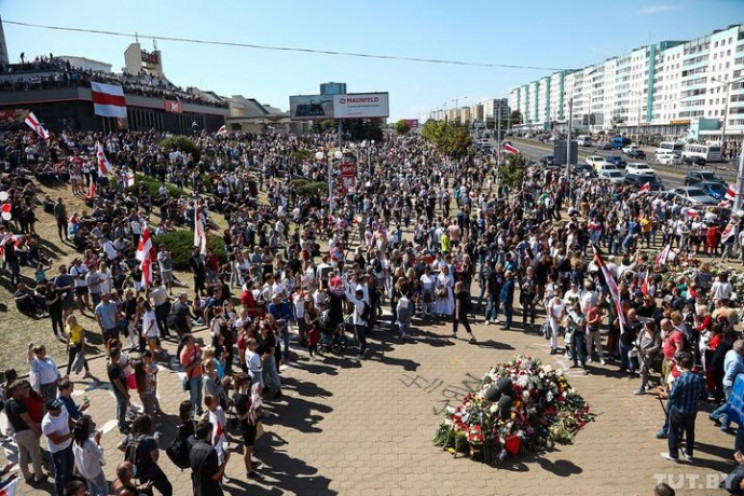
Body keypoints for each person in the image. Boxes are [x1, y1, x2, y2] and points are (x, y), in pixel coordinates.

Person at [659, 351, 707, 462]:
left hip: (678, 410)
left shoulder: (680, 379)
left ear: (680, 365)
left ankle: (673, 454)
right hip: (692, 411)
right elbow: (704, 396)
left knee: (674, 431)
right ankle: (689, 453)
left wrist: (661, 393)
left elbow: (672, 395)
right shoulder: (699, 378)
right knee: (690, 432)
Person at [4, 380, 45, 484]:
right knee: (35, 454)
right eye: (20, 389)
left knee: (22, 454)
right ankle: (39, 476)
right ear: (14, 392)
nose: (23, 390)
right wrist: (36, 430)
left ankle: (27, 476)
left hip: (16, 434)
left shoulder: (8, 403)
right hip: (27, 433)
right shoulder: (19, 404)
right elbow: (27, 420)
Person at [233, 374, 265, 481]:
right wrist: (250, 411)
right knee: (248, 449)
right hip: (247, 427)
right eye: (247, 382)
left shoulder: (242, 393)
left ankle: (249, 462)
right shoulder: (239, 399)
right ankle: (249, 472)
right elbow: (240, 417)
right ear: (242, 383)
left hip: (250, 424)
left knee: (248, 447)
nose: (249, 384)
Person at [710, 339, 744, 432]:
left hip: (729, 381)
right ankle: (717, 416)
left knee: (730, 403)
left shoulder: (731, 353)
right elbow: (731, 375)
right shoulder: (736, 361)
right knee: (731, 404)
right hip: (731, 384)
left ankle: (722, 422)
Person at [42, 398, 74, 496]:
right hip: (58, 451)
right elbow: (56, 441)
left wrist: (77, 423)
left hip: (69, 445)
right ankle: (60, 493)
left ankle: (69, 490)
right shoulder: (47, 424)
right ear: (49, 410)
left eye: (59, 407)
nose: (60, 410)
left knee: (70, 468)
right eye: (57, 409)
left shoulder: (62, 408)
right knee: (61, 474)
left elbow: (69, 420)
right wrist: (71, 435)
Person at [190, 420, 228, 496]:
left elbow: (194, 472)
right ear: (209, 433)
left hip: (199, 488)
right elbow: (214, 476)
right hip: (211, 491)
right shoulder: (211, 451)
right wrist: (224, 462)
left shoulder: (193, 448)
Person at [71, 415, 107, 496]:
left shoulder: (76, 441)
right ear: (87, 429)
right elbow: (99, 454)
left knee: (92, 489)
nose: (94, 424)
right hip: (94, 472)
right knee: (103, 490)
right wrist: (98, 442)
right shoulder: (89, 444)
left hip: (84, 472)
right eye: (91, 424)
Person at [107, 347, 131, 434]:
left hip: (121, 390)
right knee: (122, 407)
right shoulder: (113, 368)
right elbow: (118, 383)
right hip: (120, 390)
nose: (120, 355)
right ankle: (122, 426)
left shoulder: (114, 363)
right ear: (116, 355)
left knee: (120, 405)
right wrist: (125, 393)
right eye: (119, 354)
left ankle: (121, 421)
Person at [180, 333, 204, 416]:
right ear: (186, 342)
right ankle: (191, 414)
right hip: (192, 378)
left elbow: (201, 352)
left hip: (199, 374)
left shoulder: (196, 346)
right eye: (191, 339)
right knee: (194, 397)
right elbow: (186, 369)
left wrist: (201, 355)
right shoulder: (184, 354)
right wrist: (196, 362)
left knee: (200, 394)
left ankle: (199, 410)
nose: (194, 339)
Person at [345, 286, 370, 359]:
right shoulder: (364, 302)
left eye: (356, 295)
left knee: (361, 340)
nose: (355, 296)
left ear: (359, 296)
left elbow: (351, 298)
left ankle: (361, 354)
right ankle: (362, 351)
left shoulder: (360, 303)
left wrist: (345, 291)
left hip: (359, 324)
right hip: (361, 323)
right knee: (362, 339)